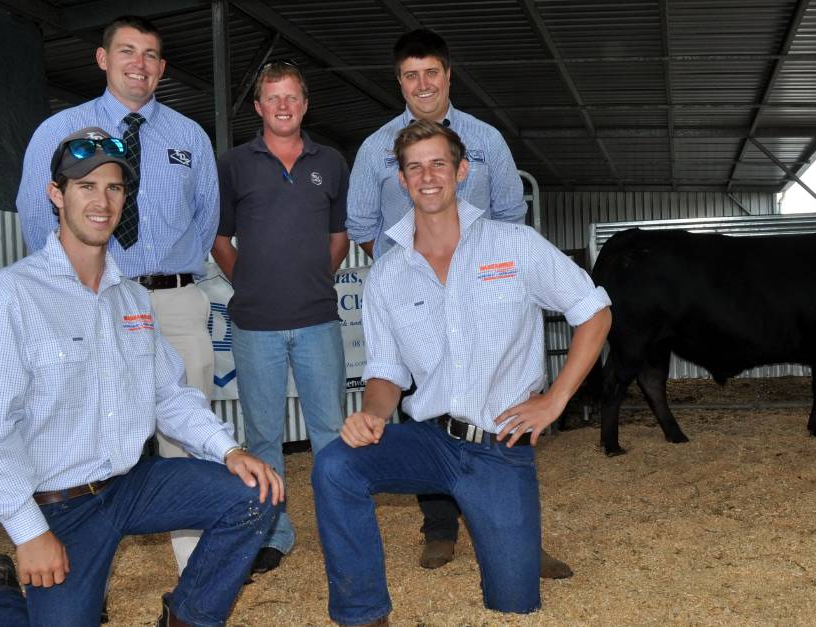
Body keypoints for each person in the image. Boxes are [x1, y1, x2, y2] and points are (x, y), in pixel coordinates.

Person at [0, 127, 283, 626]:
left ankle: (185, 618)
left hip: (129, 484)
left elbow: (169, 395)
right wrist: (27, 531)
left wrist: (229, 451)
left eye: (114, 187)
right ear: (56, 194)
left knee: (255, 495)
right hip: (59, 507)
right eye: (85, 186)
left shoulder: (130, 299)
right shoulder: (7, 297)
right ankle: (2, 592)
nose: (102, 200)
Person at [311, 120, 611, 625]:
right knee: (336, 464)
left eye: (438, 164)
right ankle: (363, 614)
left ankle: (510, 559)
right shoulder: (387, 271)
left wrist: (556, 400)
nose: (427, 176)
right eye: (414, 167)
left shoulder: (514, 245)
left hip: (500, 447)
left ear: (461, 171)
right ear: (401, 181)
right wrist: (371, 415)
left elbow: (594, 310)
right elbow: (386, 370)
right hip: (431, 439)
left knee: (515, 604)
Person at [346, 28, 574, 578]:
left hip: (487, 297)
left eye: (431, 73)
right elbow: (359, 221)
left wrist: (481, 274)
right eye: (410, 75)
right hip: (417, 301)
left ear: (449, 75)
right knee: (429, 407)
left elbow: (508, 213)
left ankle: (516, 534)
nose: (422, 84)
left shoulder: (486, 140)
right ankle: (440, 529)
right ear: (398, 81)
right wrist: (411, 268)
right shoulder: (375, 147)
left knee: (505, 407)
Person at [15, 15, 219, 572]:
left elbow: (205, 222)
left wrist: (160, 275)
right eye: (127, 51)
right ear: (103, 59)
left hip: (173, 302)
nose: (139, 64)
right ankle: (80, 570)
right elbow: (36, 215)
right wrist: (77, 283)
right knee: (86, 436)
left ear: (162, 68)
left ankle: (196, 577)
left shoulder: (189, 136)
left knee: (189, 432)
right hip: (90, 300)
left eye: (151, 55)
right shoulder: (60, 129)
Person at [212, 61, 350, 575]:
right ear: (258, 107)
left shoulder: (331, 161)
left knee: (330, 432)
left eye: (292, 97)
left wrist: (316, 275)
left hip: (318, 320)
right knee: (263, 435)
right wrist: (247, 282)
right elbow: (219, 237)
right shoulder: (233, 163)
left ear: (305, 104)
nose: (284, 106)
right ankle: (273, 532)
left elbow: (339, 237)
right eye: (274, 98)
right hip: (255, 325)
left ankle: (339, 528)